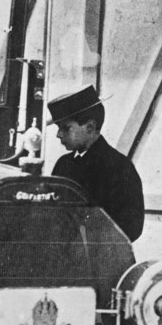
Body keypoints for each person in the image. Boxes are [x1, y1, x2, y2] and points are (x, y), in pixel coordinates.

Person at [50, 85, 145, 242]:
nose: (58, 134)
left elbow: (132, 227)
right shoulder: (63, 165)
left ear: (90, 127)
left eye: (66, 128)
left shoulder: (120, 167)